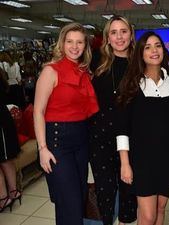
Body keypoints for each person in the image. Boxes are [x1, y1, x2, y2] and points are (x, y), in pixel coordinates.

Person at [33, 22, 99, 225]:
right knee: (70, 203)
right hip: (57, 142)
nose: (75, 46)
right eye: (70, 41)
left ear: (85, 46)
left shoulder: (84, 72)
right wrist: (42, 148)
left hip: (81, 141)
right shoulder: (50, 71)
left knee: (74, 202)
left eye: (79, 42)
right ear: (62, 44)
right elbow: (38, 111)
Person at [116, 31, 169, 225]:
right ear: (140, 53)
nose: (154, 51)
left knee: (161, 209)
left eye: (158, 46)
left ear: (164, 50)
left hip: (167, 158)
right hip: (142, 160)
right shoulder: (131, 83)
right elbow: (122, 129)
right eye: (148, 47)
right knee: (147, 216)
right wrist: (125, 163)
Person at [88, 15, 137, 225]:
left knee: (129, 191)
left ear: (131, 34)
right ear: (107, 37)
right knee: (105, 191)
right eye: (114, 32)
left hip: (132, 137)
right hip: (100, 138)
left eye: (123, 31)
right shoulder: (96, 61)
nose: (119, 37)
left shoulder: (140, 63)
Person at [0, 67, 22, 213]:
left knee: (5, 158)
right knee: (5, 159)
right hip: (3, 118)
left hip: (1, 122)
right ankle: (11, 193)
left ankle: (5, 196)